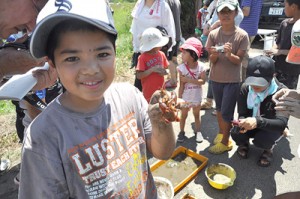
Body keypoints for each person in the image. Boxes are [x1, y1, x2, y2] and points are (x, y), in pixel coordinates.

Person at [18, 0, 177, 198]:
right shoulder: (42, 137)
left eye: (102, 54)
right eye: (72, 58)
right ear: (52, 63)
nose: (91, 69)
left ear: (115, 52)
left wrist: (161, 122)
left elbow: (163, 152)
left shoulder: (130, 97)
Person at [206, 0, 249, 154]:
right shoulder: (213, 34)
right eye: (222, 12)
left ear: (235, 13)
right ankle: (221, 133)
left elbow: (238, 61)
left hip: (232, 80)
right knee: (218, 109)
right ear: (217, 14)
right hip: (216, 78)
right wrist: (214, 55)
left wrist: (230, 55)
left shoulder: (242, 36)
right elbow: (211, 60)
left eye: (229, 12)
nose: (225, 15)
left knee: (227, 112)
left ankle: (225, 142)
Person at [232, 55, 288, 167]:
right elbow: (242, 113)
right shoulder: (245, 88)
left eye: (260, 82)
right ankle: (244, 144)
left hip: (270, 126)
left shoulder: (282, 92)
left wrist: (258, 121)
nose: (255, 85)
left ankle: (268, 149)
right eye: (252, 81)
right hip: (253, 122)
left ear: (273, 76)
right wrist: (242, 122)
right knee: (236, 131)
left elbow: (281, 123)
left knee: (264, 139)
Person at [130, 0, 176, 91]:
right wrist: (136, 47)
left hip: (156, 51)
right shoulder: (139, 4)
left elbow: (169, 29)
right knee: (140, 84)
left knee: (156, 82)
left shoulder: (163, 6)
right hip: (141, 50)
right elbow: (135, 28)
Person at [265, 0, 300, 89]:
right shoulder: (284, 23)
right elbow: (278, 43)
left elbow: (297, 52)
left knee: (285, 96)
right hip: (277, 67)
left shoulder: (298, 27)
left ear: (293, 7)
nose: (284, 8)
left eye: (285, 5)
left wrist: (279, 51)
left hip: (291, 70)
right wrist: (272, 50)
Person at [177, 37, 206, 143]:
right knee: (183, 115)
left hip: (196, 97)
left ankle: (198, 132)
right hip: (185, 98)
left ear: (193, 54)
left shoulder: (201, 67)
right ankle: (181, 132)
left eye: (184, 53)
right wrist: (179, 99)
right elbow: (181, 85)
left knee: (197, 115)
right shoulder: (181, 68)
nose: (182, 55)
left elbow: (203, 81)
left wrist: (188, 79)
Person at [136, 27, 170, 102]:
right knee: (151, 111)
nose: (161, 46)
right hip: (149, 92)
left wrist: (165, 72)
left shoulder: (161, 54)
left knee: (162, 110)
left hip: (161, 90)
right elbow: (139, 75)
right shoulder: (142, 57)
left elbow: (167, 69)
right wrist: (152, 70)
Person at [239, 0, 263, 81]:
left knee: (242, 56)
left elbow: (246, 12)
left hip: (245, 29)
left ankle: (242, 81)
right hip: (252, 28)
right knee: (244, 55)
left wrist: (234, 10)